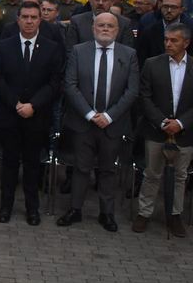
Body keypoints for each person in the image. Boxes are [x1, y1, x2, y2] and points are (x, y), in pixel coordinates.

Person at [57, 13, 140, 233]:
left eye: (110, 26)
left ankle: (107, 213)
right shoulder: (78, 51)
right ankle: (75, 210)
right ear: (93, 27)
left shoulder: (129, 54)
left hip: (112, 124)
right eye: (101, 25)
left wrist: (109, 116)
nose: (105, 29)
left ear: (117, 30)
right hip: (83, 122)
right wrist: (89, 114)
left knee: (107, 170)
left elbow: (132, 91)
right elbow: (70, 85)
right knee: (81, 168)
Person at [133, 22, 193, 237]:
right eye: (166, 39)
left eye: (174, 40)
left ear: (186, 42)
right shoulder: (152, 64)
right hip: (157, 130)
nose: (168, 44)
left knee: (180, 176)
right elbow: (144, 97)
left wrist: (181, 123)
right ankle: (144, 213)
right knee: (151, 173)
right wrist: (162, 122)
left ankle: (174, 214)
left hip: (184, 132)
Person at [0, 1, 64, 225]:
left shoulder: (52, 48)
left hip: (37, 116)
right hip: (10, 116)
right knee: (9, 164)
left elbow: (54, 83)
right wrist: (16, 104)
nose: (29, 21)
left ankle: (33, 209)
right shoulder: (4, 46)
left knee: (33, 166)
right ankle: (6, 207)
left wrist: (33, 105)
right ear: (18, 19)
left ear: (40, 19)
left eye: (34, 17)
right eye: (25, 17)